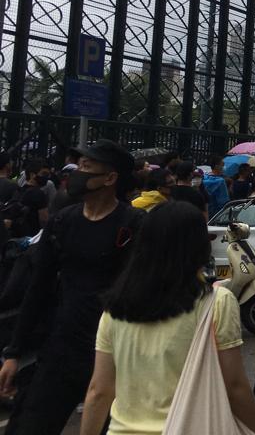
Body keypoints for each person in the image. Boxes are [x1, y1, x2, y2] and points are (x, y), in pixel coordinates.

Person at [78, 201, 255, 434]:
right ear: (198, 246)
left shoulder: (115, 308)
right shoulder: (216, 302)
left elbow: (99, 390)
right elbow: (234, 385)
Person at [0, 140, 144, 435]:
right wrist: (14, 352)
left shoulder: (133, 225)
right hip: (60, 348)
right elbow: (38, 288)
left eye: (87, 167)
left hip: (112, 352)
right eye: (78, 166)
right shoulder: (62, 222)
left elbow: (143, 291)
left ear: (110, 178)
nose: (78, 173)